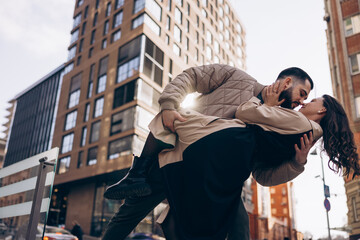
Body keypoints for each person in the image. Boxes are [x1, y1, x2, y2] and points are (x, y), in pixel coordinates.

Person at [102, 65, 314, 240]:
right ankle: (135, 174)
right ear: (287, 82)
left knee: (240, 232)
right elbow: (192, 76)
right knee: (126, 217)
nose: (301, 102)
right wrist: (169, 105)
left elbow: (262, 175)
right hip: (175, 161)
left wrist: (296, 163)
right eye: (302, 93)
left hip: (220, 184)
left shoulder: (277, 122)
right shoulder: (238, 78)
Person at [146, 92, 360, 239]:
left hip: (228, 140)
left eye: (312, 100)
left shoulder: (300, 123)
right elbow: (264, 176)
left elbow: (245, 112)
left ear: (322, 110)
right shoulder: (304, 136)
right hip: (231, 162)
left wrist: (265, 102)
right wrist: (297, 163)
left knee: (169, 121)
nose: (304, 103)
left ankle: (138, 173)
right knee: (191, 221)